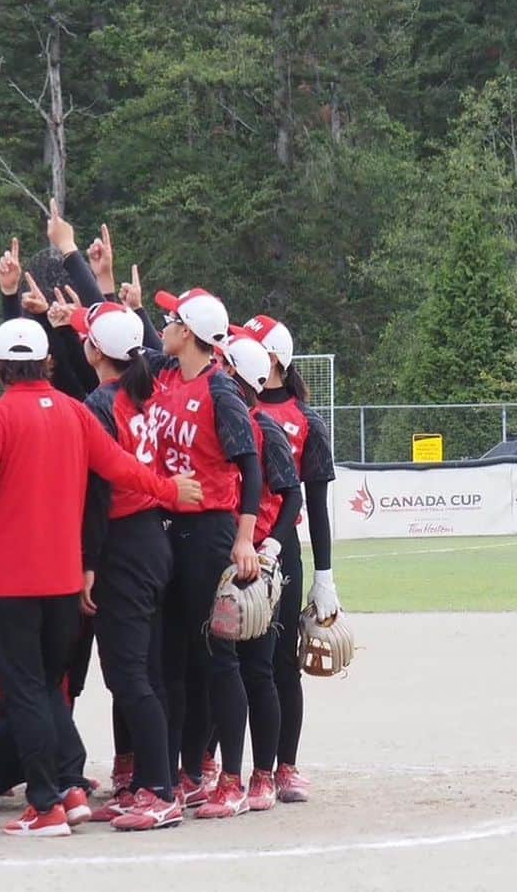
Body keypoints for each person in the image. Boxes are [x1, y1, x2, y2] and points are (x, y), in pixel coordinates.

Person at [0, 317, 202, 838]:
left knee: (26, 693)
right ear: (48, 362)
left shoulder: (0, 415)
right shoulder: (76, 412)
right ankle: (70, 788)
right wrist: (171, 491)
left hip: (12, 583)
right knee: (46, 693)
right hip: (62, 582)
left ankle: (46, 803)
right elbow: (122, 469)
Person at [145, 287, 262, 820]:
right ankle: (184, 774)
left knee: (217, 657)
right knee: (173, 658)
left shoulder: (221, 391)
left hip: (211, 531)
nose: (162, 326)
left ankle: (230, 780)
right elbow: (124, 343)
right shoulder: (166, 376)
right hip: (169, 527)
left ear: (188, 332)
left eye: (170, 319)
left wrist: (244, 538)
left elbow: (250, 468)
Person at [72, 300, 181, 833]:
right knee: (147, 672)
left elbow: (96, 491)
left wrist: (88, 562)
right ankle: (150, 783)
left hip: (123, 544)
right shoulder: (149, 389)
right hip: (155, 538)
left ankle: (159, 790)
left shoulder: (98, 402)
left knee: (129, 674)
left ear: (94, 350)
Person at [243, 313, 337, 803]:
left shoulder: (307, 421)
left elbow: (315, 508)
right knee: (236, 663)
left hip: (282, 552)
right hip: (236, 546)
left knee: (282, 664)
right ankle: (229, 768)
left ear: (274, 359)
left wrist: (325, 577)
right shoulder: (234, 403)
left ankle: (286, 765)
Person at [213, 329, 302, 812]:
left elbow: (293, 497)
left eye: (223, 365)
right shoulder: (218, 424)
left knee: (259, 669)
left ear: (234, 375)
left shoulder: (265, 428)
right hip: (222, 560)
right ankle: (224, 772)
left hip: (258, 565)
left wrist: (268, 547)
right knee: (221, 667)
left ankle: (263, 775)